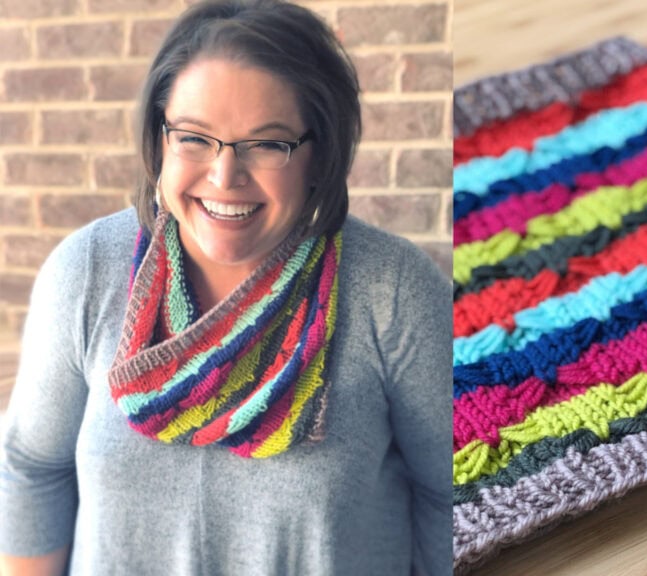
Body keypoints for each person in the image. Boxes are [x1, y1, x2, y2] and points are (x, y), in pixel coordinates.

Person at [0, 1, 452, 574]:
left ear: (319, 154)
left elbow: (452, 494)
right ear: (159, 138)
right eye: (194, 137)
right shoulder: (86, 271)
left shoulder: (391, 290)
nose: (224, 176)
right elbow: (32, 467)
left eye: (268, 144)